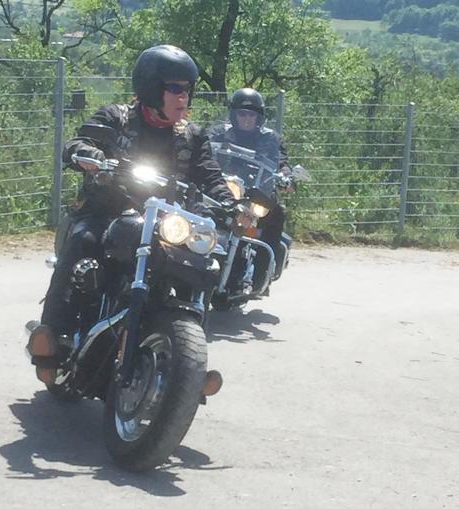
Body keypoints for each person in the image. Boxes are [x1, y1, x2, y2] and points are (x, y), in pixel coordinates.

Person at [28, 45, 233, 384]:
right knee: (84, 240)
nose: (184, 96)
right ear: (151, 88)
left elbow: (210, 175)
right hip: (107, 212)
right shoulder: (116, 117)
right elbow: (80, 142)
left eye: (188, 89)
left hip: (165, 223)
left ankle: (189, 365)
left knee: (204, 263)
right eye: (175, 88)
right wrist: (90, 155)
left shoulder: (192, 136)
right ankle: (51, 336)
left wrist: (231, 203)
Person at [208, 87, 293, 291]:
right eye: (242, 114)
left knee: (276, 214)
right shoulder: (218, 133)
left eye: (251, 115)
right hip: (224, 189)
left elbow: (281, 161)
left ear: (259, 117)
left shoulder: (270, 138)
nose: (247, 119)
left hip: (256, 192)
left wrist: (286, 176)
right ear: (234, 115)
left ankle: (261, 274)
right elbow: (204, 152)